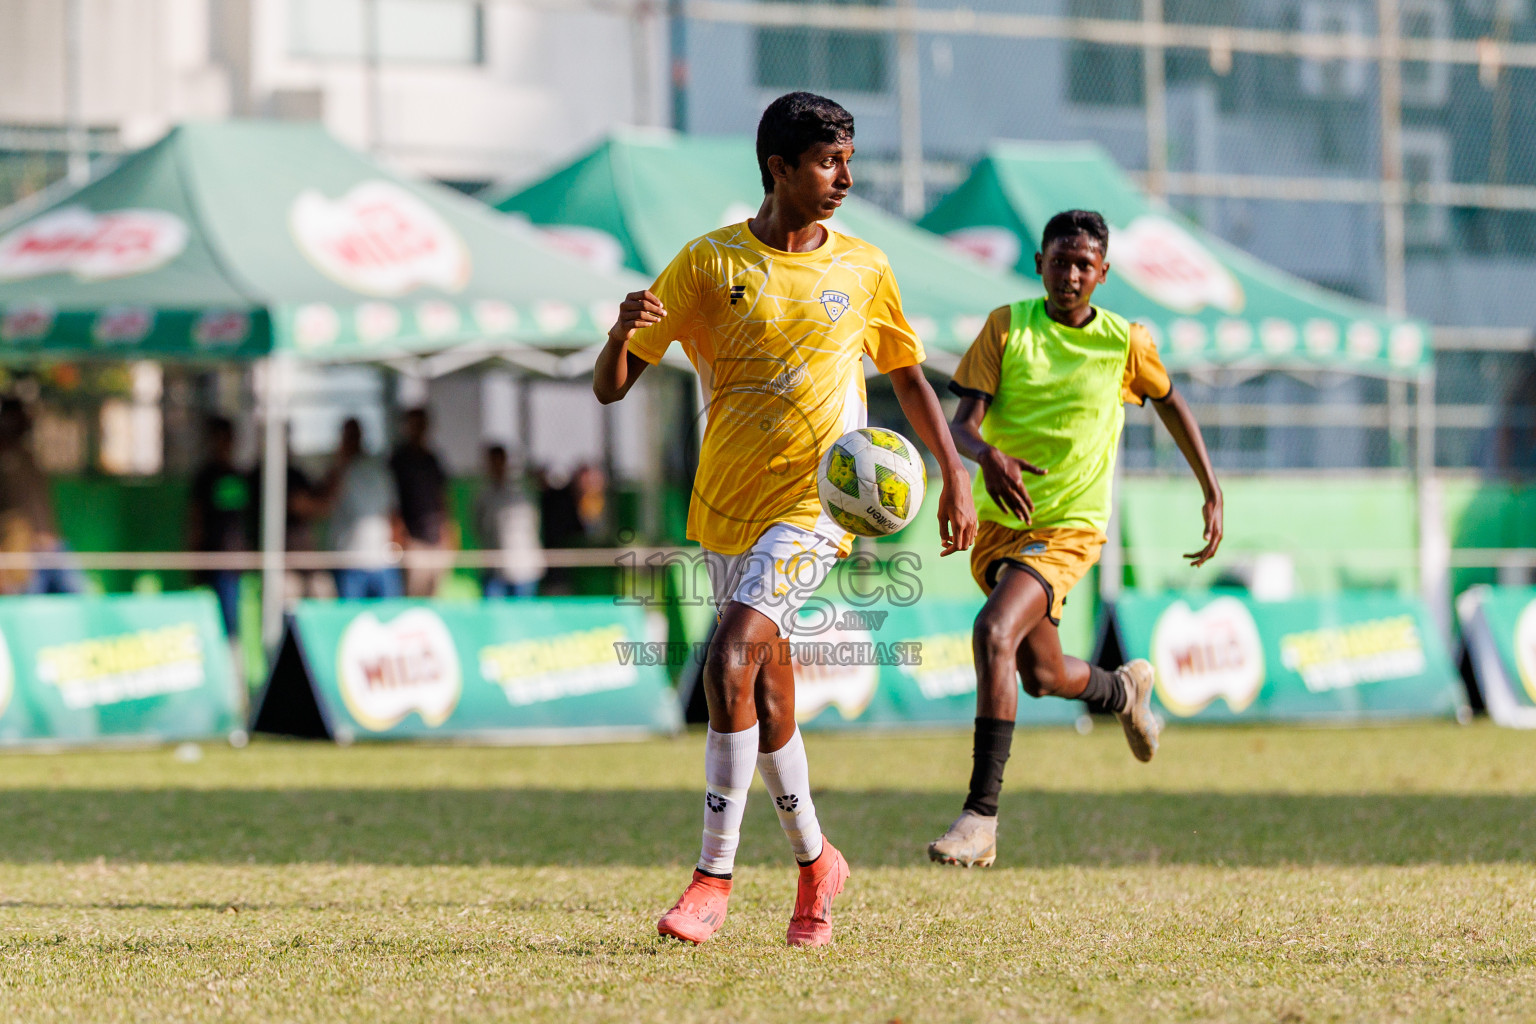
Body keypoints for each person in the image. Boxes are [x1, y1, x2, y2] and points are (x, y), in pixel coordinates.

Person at [594, 91, 977, 947]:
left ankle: (711, 878)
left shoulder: (866, 267)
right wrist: (620, 333)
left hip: (817, 508)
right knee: (766, 696)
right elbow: (613, 384)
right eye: (827, 161)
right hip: (726, 504)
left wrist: (954, 472)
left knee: (727, 656)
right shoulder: (706, 264)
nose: (845, 176)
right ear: (779, 168)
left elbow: (908, 374)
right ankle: (816, 866)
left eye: (849, 158)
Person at [927, 210, 1224, 869]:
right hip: (1001, 524)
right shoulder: (1006, 327)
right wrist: (988, 457)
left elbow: (1172, 401)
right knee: (1039, 674)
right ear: (1039, 264)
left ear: (1103, 273)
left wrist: (1210, 486)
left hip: (1070, 527)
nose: (1070, 275)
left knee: (993, 631)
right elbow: (964, 427)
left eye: (1083, 264)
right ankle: (1123, 692)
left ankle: (980, 818)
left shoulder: (1126, 342)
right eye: (1059, 261)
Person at [0, 398, 82, 595]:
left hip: (51, 544)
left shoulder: (28, 457)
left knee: (81, 599)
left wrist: (47, 535)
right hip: (22, 548)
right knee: (28, 603)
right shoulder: (6, 462)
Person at [323, 418, 401, 600]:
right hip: (348, 561)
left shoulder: (378, 469)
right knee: (351, 623)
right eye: (347, 437)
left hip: (382, 559)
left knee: (390, 620)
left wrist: (396, 546)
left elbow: (392, 511)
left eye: (354, 436)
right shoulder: (337, 471)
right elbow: (325, 504)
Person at [188, 416, 251, 637]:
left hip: (236, 563)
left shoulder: (240, 475)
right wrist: (194, 560)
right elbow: (196, 520)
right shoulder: (205, 477)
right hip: (214, 561)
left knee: (234, 624)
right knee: (217, 624)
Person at [389, 408, 452, 598]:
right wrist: (399, 535)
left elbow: (442, 496)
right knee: (414, 598)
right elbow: (392, 501)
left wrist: (447, 531)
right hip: (412, 540)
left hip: (436, 539)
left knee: (435, 598)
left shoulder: (432, 459)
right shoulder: (399, 460)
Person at [474, 444, 544, 598]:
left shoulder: (522, 492)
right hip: (494, 570)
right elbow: (478, 527)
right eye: (492, 462)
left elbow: (533, 525)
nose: (496, 466)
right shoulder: (483, 496)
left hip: (524, 569)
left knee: (522, 618)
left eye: (499, 461)